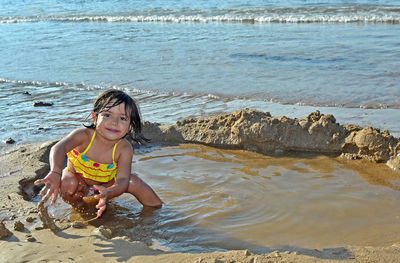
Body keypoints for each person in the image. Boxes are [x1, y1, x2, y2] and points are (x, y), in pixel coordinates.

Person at [34, 90, 162, 217]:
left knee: (133, 181)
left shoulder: (124, 149)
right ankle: (80, 208)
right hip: (78, 180)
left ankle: (158, 211)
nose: (114, 122)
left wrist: (110, 192)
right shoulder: (83, 136)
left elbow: (122, 179)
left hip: (106, 184)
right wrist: (55, 172)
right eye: (107, 115)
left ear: (129, 126)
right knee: (68, 183)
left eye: (122, 118)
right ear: (95, 117)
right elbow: (59, 148)